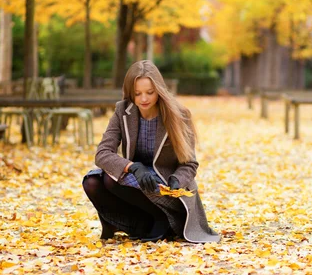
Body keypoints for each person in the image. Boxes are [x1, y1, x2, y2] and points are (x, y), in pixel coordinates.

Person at [82, 60, 220, 243]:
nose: (143, 99)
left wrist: (177, 180)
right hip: (136, 180)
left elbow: (190, 164)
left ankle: (163, 218)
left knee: (112, 179)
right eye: (137, 94)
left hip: (165, 186)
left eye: (150, 92)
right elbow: (102, 154)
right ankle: (140, 223)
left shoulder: (179, 115)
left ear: (159, 90)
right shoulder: (122, 111)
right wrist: (133, 167)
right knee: (94, 182)